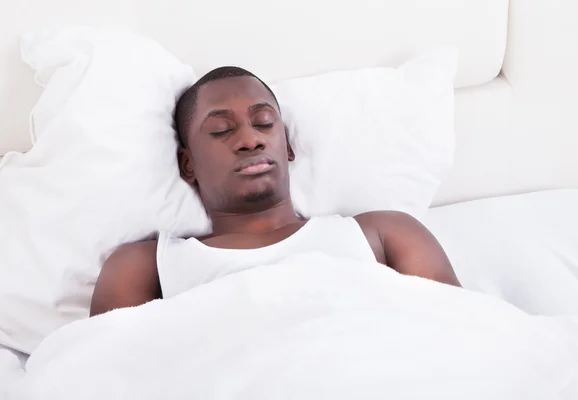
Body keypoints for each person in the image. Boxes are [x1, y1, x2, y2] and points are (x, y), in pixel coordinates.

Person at [90, 66, 461, 317]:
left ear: (287, 148)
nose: (250, 139)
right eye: (221, 130)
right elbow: (108, 375)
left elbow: (466, 334)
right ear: (188, 165)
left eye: (264, 123)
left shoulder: (384, 233)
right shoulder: (145, 266)